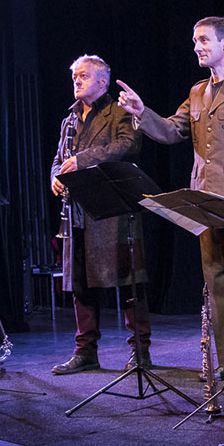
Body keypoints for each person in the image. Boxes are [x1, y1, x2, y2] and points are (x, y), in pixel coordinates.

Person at [117, 16, 224, 386]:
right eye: (194, 41)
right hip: (204, 198)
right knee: (216, 278)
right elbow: (172, 130)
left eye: (204, 40)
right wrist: (142, 112)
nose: (196, 47)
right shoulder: (197, 92)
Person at [50, 55, 152, 375]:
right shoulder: (69, 119)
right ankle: (86, 352)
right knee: (80, 284)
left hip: (112, 210)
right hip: (77, 212)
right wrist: (55, 176)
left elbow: (128, 145)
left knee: (128, 280)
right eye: (74, 77)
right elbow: (59, 159)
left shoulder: (119, 111)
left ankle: (140, 351)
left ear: (102, 82)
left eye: (83, 76)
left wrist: (83, 160)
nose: (77, 81)